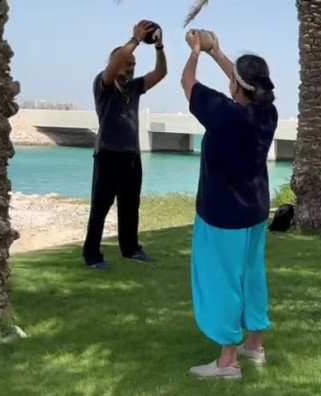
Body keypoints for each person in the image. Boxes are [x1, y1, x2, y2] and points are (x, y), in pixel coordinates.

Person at [181, 30, 277, 380]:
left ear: (237, 85)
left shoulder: (223, 113)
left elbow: (187, 82)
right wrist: (217, 53)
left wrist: (196, 53)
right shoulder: (268, 114)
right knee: (252, 277)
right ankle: (255, 345)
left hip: (222, 215)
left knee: (221, 282)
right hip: (254, 213)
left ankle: (227, 362)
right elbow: (245, 86)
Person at [83, 20, 167, 270]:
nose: (130, 67)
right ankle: (92, 256)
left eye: (133, 65)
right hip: (108, 155)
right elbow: (118, 59)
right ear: (114, 63)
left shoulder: (135, 87)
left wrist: (159, 46)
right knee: (100, 208)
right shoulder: (104, 84)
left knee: (130, 207)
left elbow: (161, 73)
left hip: (131, 156)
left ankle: (130, 249)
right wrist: (135, 40)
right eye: (127, 63)